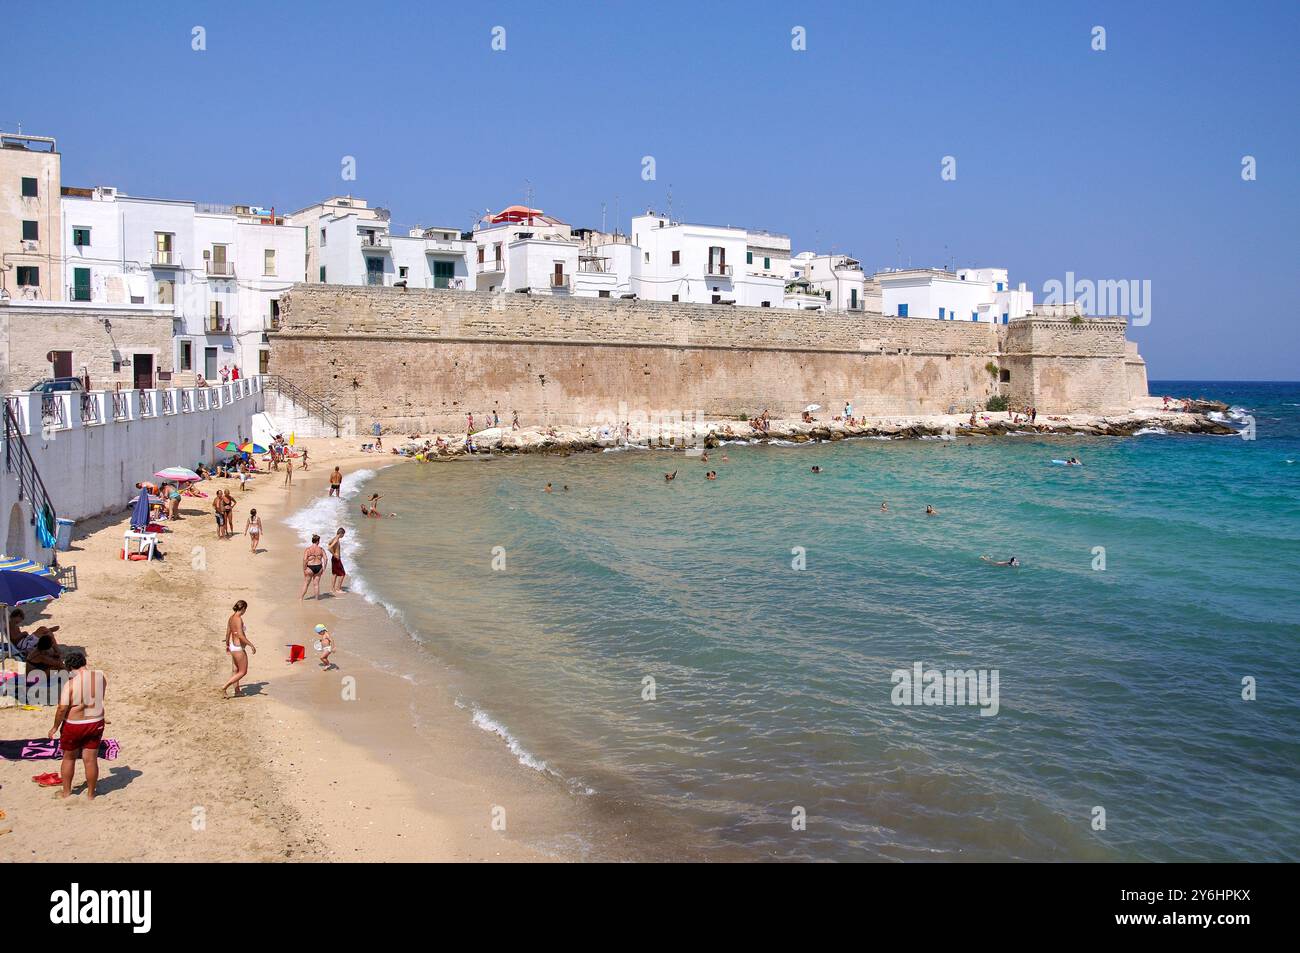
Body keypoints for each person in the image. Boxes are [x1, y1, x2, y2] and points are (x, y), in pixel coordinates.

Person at [49, 651, 107, 799]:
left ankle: (66, 792)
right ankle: (91, 794)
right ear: (84, 662)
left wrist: (55, 726)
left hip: (75, 724)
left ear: (70, 668)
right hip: (95, 721)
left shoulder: (71, 684)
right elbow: (100, 698)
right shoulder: (100, 677)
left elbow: (62, 708)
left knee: (69, 758)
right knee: (91, 759)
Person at [221, 600, 256, 697]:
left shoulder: (231, 618)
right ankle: (224, 687)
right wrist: (251, 644)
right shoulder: (238, 619)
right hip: (238, 648)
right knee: (243, 671)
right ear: (243, 608)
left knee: (235, 670)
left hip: (233, 646)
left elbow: (228, 632)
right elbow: (240, 635)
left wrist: (227, 645)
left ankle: (237, 691)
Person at [301, 535, 327, 600]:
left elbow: (304, 560)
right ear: (317, 541)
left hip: (310, 567)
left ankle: (301, 598)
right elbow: (326, 559)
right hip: (319, 567)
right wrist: (324, 568)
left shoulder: (308, 549)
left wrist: (304, 569)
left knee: (306, 584)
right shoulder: (321, 549)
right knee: (316, 585)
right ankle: (316, 599)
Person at [328, 528, 347, 593]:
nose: (343, 536)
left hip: (334, 559)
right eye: (343, 534)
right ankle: (338, 589)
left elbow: (329, 543)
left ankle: (332, 589)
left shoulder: (334, 538)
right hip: (336, 559)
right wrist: (334, 554)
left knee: (335, 574)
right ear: (341, 533)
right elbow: (329, 548)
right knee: (343, 574)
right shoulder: (336, 540)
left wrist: (334, 553)